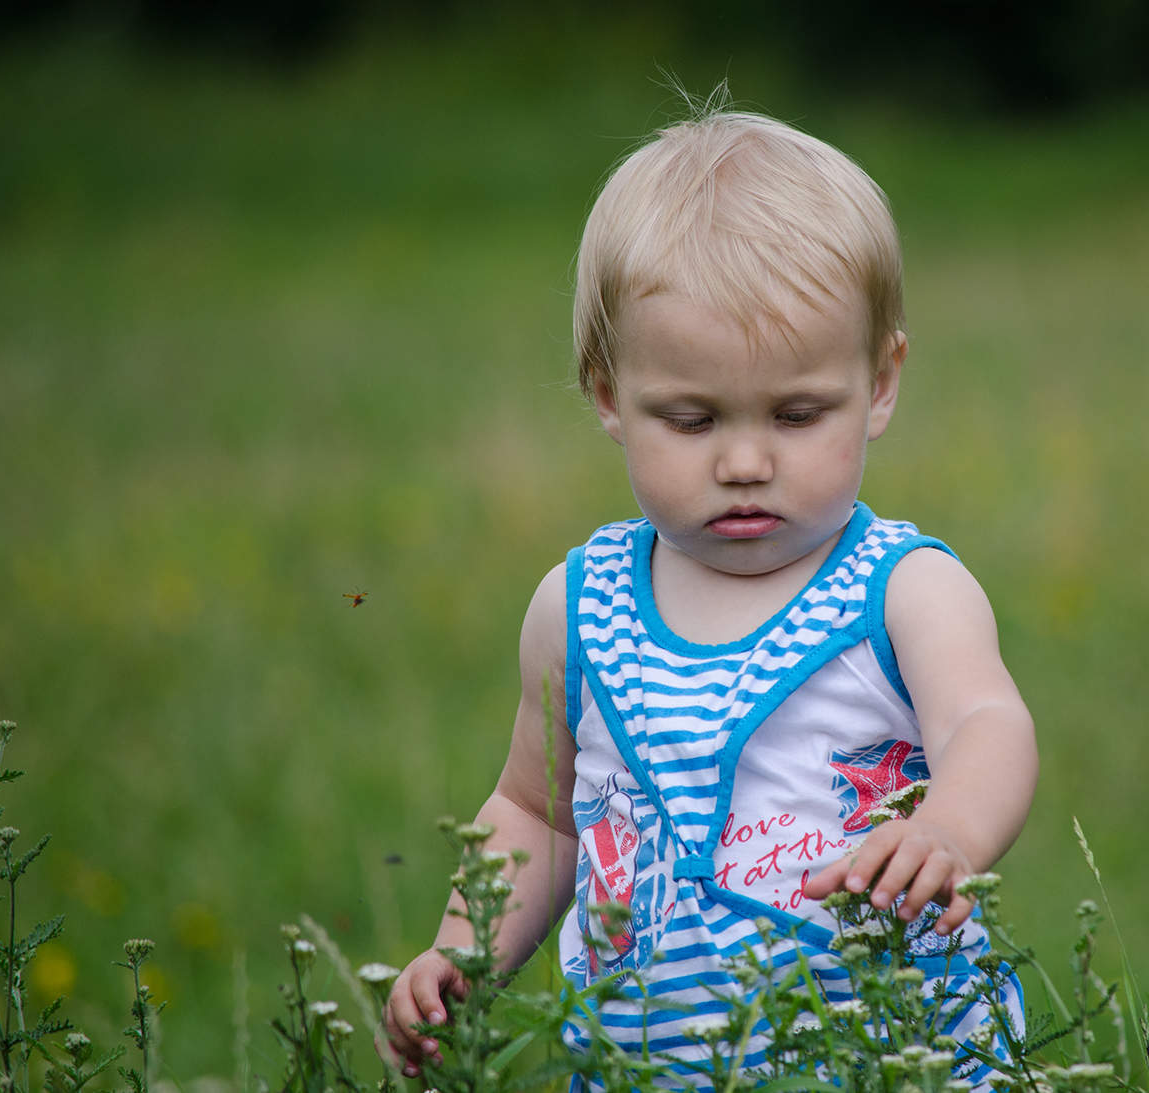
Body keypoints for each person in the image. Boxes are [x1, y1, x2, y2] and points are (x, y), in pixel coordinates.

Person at [380, 102, 1038, 1091]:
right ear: (608, 394)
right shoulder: (580, 609)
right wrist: (462, 951)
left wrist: (948, 830)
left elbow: (990, 722)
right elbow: (538, 811)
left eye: (799, 413)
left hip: (889, 1053)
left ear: (881, 381)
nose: (743, 460)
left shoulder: (905, 589)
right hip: (650, 1063)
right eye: (690, 419)